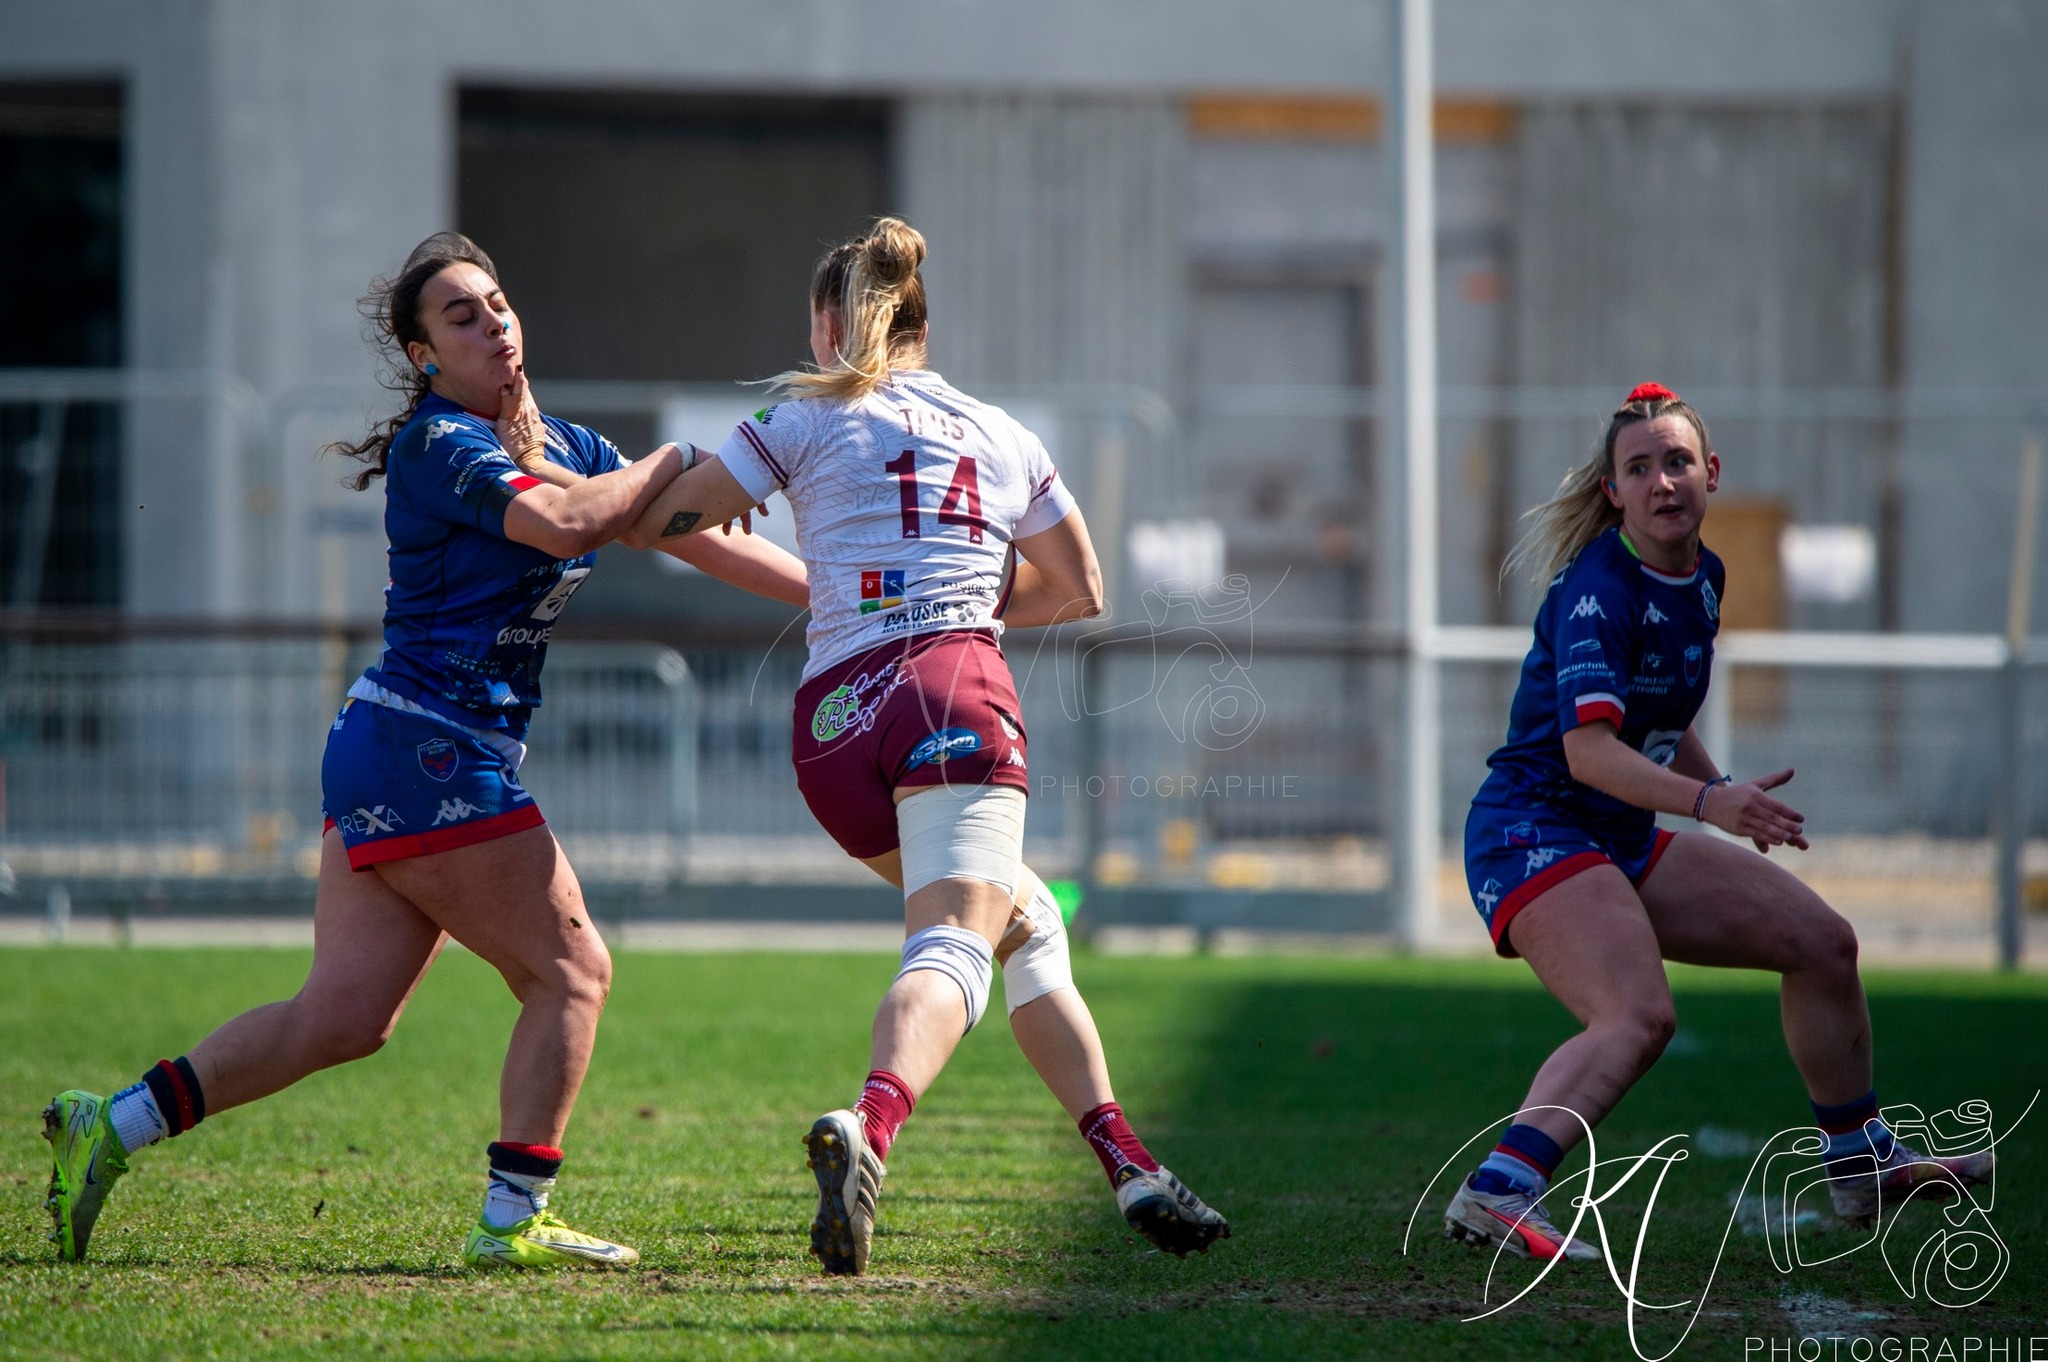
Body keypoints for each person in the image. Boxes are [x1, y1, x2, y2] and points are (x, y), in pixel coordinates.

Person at [40, 232, 808, 1269]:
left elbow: (678, 530)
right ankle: (510, 1219)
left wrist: (834, 596)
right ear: (422, 357)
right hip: (427, 749)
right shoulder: (440, 443)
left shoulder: (565, 441)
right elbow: (572, 525)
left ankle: (114, 1123)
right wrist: (680, 458)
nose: (492, 322)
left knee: (342, 1018)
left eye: (498, 303)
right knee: (572, 972)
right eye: (461, 314)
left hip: (389, 748)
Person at [625, 218, 1230, 1274]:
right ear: (920, 321)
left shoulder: (799, 415)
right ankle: (871, 1125)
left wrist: (636, 486)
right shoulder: (999, 435)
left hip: (830, 729)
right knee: (956, 936)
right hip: (949, 692)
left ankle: (1127, 1161)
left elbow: (679, 523)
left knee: (1025, 922)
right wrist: (951, 591)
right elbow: (1080, 589)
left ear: (828, 321)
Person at [1442, 382, 1994, 1263]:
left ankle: (1859, 1162)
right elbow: (1589, 752)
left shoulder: (1703, 574)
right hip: (1535, 831)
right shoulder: (1599, 592)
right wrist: (1709, 805)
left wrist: (1721, 788)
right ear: (1613, 491)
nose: (1662, 480)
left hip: (1617, 835)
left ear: (1711, 475)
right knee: (1635, 1016)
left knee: (1824, 944)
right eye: (1639, 468)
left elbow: (1660, 714)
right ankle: (1497, 1191)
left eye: (1677, 462)